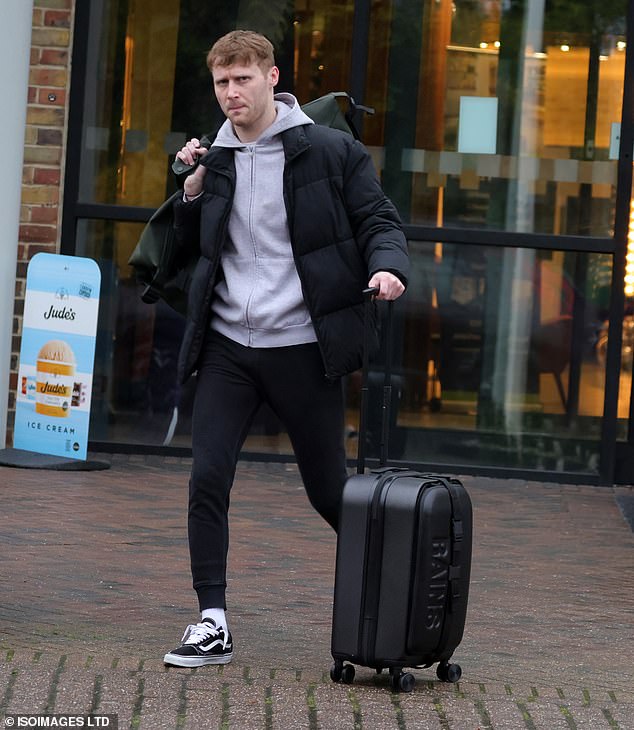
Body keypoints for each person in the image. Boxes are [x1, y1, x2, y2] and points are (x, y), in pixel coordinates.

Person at [163, 29, 409, 668]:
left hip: (302, 346)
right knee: (207, 476)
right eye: (221, 82)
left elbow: (378, 220)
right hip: (228, 346)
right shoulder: (210, 160)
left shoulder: (331, 151)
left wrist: (388, 268)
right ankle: (211, 621)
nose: (231, 92)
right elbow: (185, 252)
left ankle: (399, 593)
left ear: (273, 78)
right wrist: (189, 194)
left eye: (243, 78)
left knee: (329, 491)